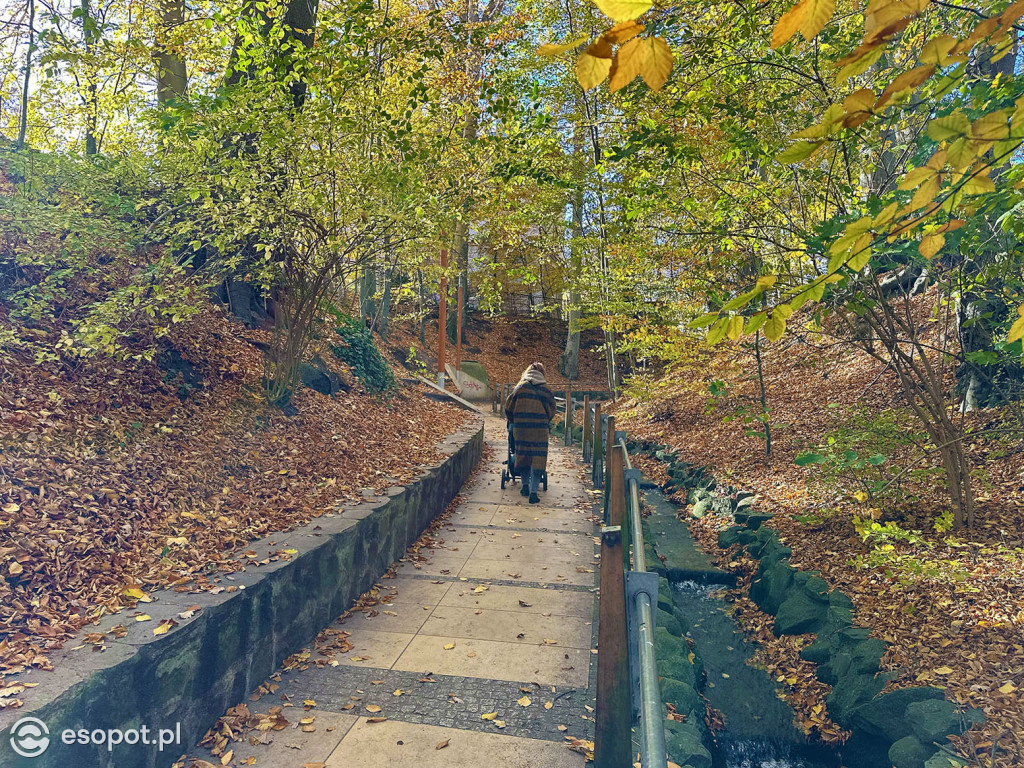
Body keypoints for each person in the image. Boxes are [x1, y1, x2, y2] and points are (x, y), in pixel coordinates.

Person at [505, 362, 556, 504]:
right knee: (538, 459)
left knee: (523, 455)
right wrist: (544, 419)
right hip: (539, 429)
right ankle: (534, 493)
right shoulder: (546, 390)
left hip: (521, 428)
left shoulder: (519, 388)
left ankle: (525, 487)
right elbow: (552, 409)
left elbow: (508, 408)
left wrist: (515, 420)